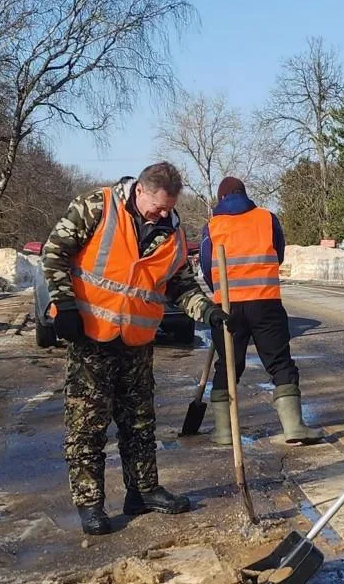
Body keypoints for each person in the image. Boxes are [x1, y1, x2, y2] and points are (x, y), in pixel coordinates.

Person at [42, 162, 233, 535]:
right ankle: (90, 504)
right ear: (140, 190)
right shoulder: (96, 208)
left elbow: (180, 286)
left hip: (136, 341)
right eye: (158, 206)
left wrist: (207, 311)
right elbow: (54, 253)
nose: (163, 214)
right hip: (91, 336)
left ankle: (143, 491)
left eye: (169, 208)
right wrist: (64, 305)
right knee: (87, 426)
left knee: (140, 422)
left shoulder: (172, 231)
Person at [199, 176, 324, 446]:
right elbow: (278, 255)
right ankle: (293, 427)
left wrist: (220, 290)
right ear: (244, 193)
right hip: (265, 302)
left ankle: (223, 431)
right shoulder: (267, 218)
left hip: (227, 308)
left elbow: (206, 266)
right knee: (279, 361)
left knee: (228, 366)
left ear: (220, 199)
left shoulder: (212, 226)